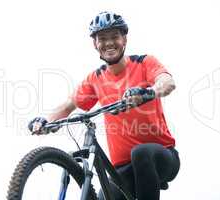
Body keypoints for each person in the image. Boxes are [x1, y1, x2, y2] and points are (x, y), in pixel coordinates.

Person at [29, 11, 180, 200]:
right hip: (123, 170)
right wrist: (45, 120)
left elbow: (167, 83)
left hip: (162, 156)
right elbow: (67, 106)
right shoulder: (96, 78)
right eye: (102, 38)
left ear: (124, 39)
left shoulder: (144, 63)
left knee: (141, 152)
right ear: (95, 44)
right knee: (103, 197)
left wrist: (147, 93)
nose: (109, 43)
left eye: (114, 36)